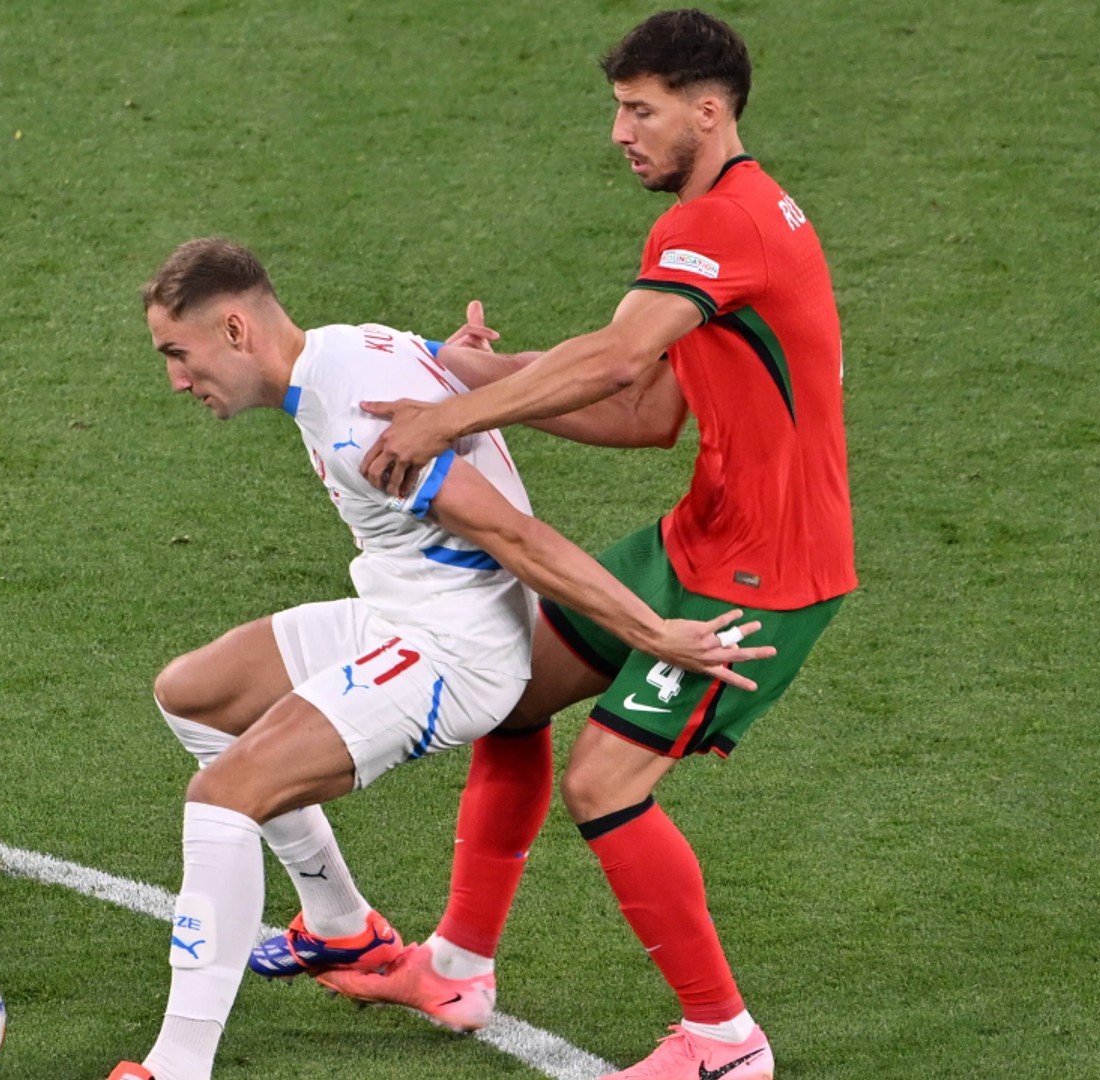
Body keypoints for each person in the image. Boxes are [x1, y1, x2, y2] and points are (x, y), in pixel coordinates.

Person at [321, 11, 856, 1080]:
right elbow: (646, 411)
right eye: (618, 107)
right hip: (699, 537)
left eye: (639, 108)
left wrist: (448, 418)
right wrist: (483, 373)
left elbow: (615, 361)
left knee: (605, 783)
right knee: (511, 691)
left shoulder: (723, 224)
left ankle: (723, 1042)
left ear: (709, 113)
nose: (620, 131)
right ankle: (461, 963)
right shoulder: (715, 220)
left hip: (768, 573)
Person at [109, 237, 772, 1080]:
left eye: (178, 353)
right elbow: (468, 375)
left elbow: (513, 534)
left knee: (225, 792)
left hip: (454, 653)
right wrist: (468, 363)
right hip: (398, 608)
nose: (175, 380)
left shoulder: (359, 426)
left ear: (235, 330)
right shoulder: (358, 344)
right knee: (192, 694)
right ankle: (340, 922)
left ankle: (177, 1066)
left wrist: (652, 632)